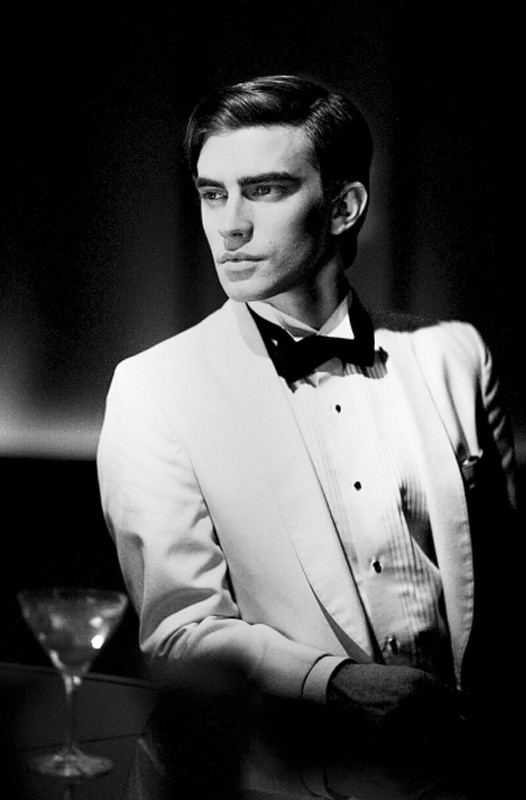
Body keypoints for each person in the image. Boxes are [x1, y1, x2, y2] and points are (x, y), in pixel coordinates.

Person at [97, 74, 518, 747]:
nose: (230, 225)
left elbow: (506, 580)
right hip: (288, 764)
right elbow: (180, 631)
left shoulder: (456, 355)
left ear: (344, 207)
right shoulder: (154, 389)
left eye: (264, 190)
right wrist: (333, 682)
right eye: (213, 193)